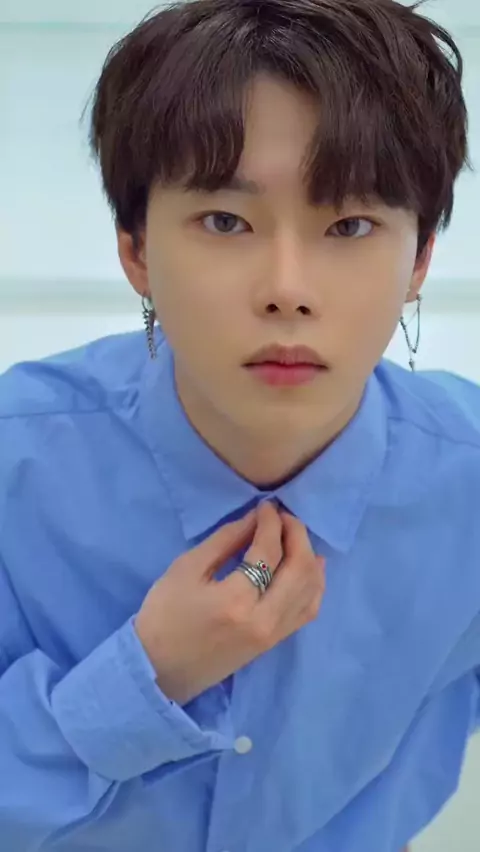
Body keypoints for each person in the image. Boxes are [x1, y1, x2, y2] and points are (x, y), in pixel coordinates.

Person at [0, 0, 477, 849]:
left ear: (420, 261)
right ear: (136, 249)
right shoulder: (17, 467)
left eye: (350, 225)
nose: (287, 289)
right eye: (226, 221)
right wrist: (146, 677)